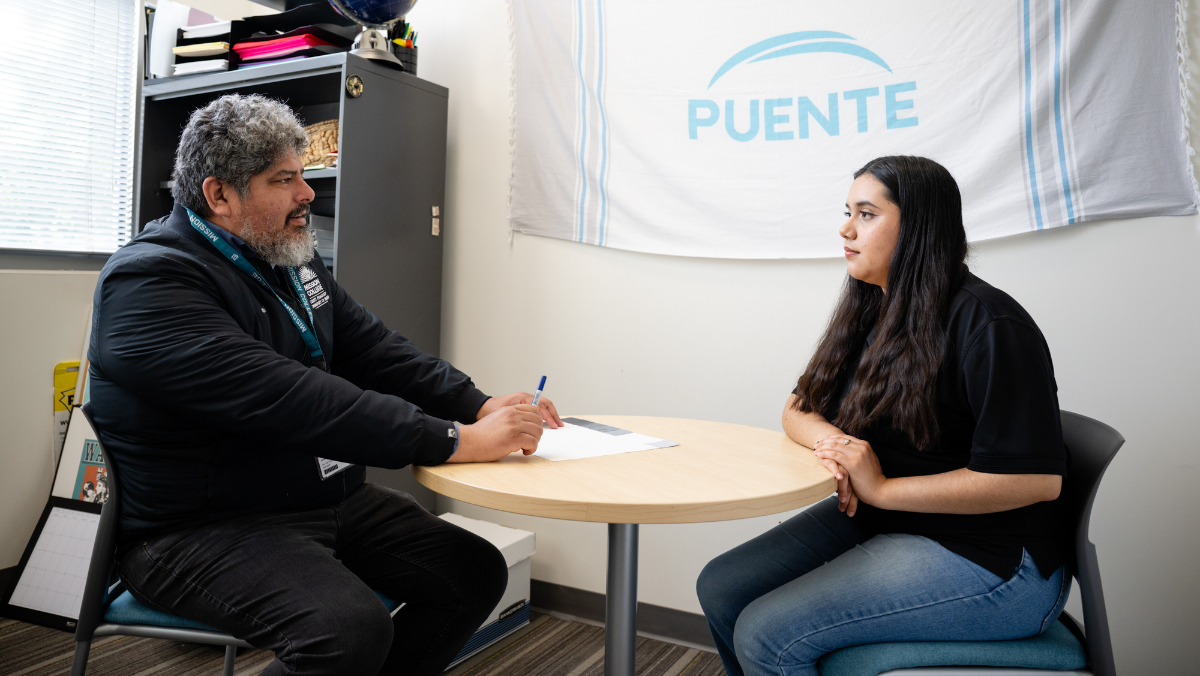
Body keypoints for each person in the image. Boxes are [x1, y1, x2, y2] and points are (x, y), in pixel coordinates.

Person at [88, 93, 564, 676]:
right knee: (346, 630)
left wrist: (479, 402)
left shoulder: (288, 258)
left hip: (310, 493)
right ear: (219, 195)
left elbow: (375, 349)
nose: (307, 194)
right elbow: (287, 396)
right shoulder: (150, 283)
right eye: (284, 179)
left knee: (473, 571)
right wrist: (455, 439)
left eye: (304, 175)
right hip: (198, 526)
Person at [696, 156, 1072, 676]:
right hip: (888, 522)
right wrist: (840, 449)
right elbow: (799, 407)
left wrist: (880, 489)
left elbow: (1033, 480)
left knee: (767, 635)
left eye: (866, 214)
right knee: (721, 586)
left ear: (917, 227)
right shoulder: (873, 305)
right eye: (848, 212)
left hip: (996, 562)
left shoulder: (990, 324)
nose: (846, 229)